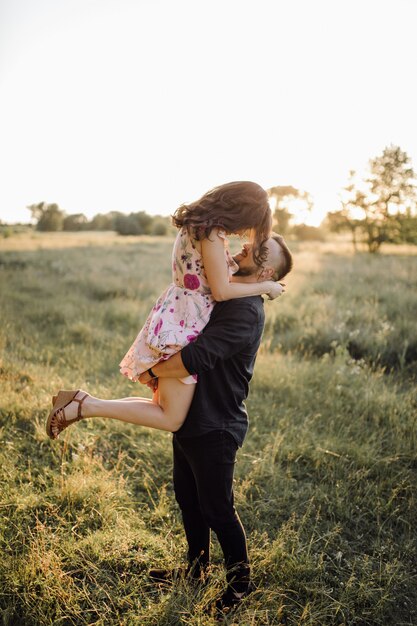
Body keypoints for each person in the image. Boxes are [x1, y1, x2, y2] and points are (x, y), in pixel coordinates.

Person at [46, 181, 283, 439]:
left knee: (164, 409)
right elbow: (222, 291)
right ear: (241, 210)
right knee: (171, 417)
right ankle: (83, 405)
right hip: (186, 322)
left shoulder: (197, 225)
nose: (243, 232)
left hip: (177, 314)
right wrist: (266, 286)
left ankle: (83, 403)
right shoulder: (212, 233)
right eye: (248, 223)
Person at [140, 233, 293, 615]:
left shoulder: (246, 311)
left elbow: (198, 357)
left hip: (216, 423)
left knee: (217, 508)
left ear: (268, 270)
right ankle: (195, 571)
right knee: (187, 499)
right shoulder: (228, 292)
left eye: (257, 251)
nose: (244, 248)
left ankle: (240, 586)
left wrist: (153, 368)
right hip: (192, 414)